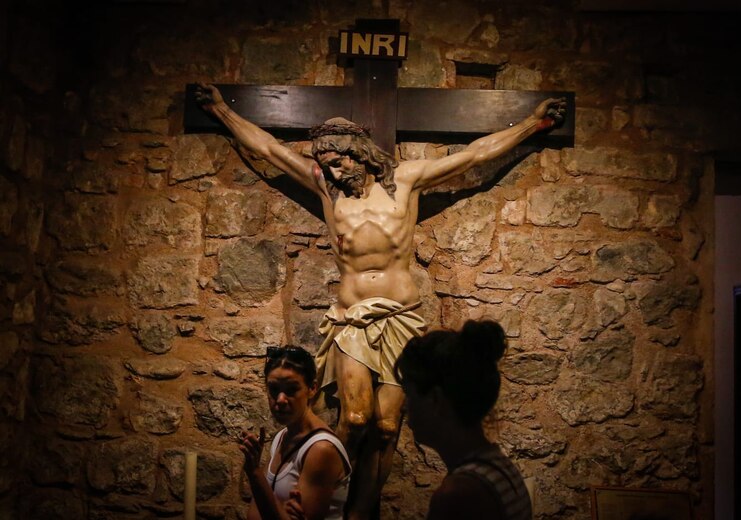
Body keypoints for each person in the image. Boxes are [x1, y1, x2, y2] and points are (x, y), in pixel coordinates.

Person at [197, 83, 564, 519]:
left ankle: (359, 514)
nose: (331, 173)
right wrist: (222, 110)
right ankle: (322, 502)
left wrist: (532, 123)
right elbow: (271, 150)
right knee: (354, 419)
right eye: (326, 166)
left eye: (336, 163)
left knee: (388, 427)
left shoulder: (405, 180)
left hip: (401, 318)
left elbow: (475, 155)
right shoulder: (326, 190)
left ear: (358, 153)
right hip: (354, 320)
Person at [393, 320, 532, 520]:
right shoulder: (500, 467)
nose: (404, 407)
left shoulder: (460, 495)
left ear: (436, 400)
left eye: (409, 394)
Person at [240, 346, 351, 520]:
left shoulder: (321, 450)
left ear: (312, 389)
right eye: (274, 389)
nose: (281, 399)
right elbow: (254, 514)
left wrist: (255, 473)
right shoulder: (282, 436)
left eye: (291, 390)